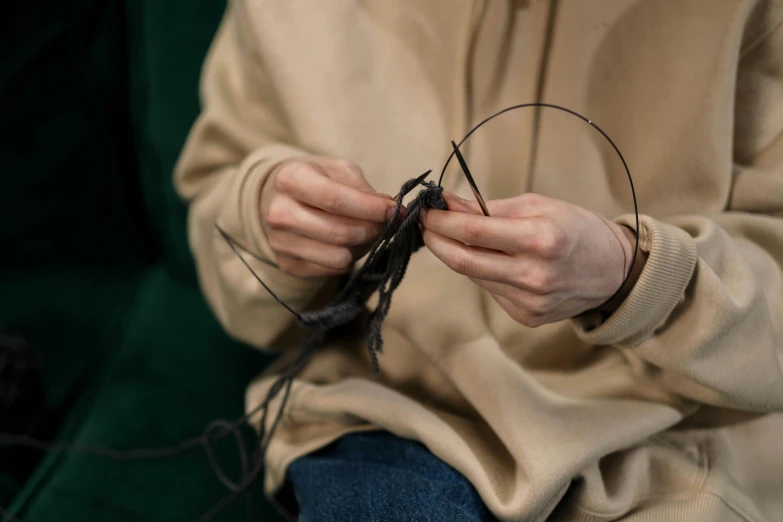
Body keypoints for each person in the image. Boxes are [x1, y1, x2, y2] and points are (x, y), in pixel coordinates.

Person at [175, 1, 783, 520]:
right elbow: (219, 215)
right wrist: (264, 210)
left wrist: (636, 276)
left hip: (664, 442)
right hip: (390, 416)